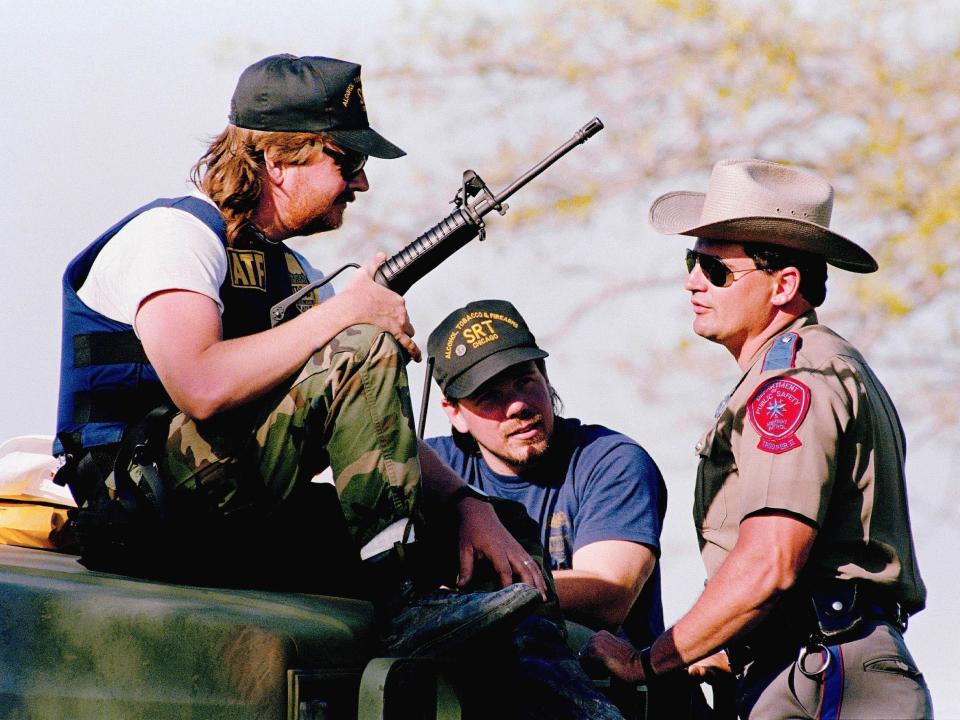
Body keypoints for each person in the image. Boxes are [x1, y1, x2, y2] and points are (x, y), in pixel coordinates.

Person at [52, 53, 550, 660]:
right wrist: (347, 313)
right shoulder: (176, 237)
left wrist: (467, 506)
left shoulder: (289, 272)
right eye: (348, 161)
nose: (361, 184)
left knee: (505, 536)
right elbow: (200, 384)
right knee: (365, 344)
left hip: (224, 499)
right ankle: (397, 598)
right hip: (138, 500)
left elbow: (367, 415)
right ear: (279, 160)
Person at [582, 159, 933, 719]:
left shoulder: (793, 382)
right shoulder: (801, 370)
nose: (693, 281)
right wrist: (716, 642)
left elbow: (771, 561)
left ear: (784, 285)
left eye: (717, 270)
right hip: (800, 664)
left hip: (821, 671)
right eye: (692, 261)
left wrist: (647, 661)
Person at [425, 299, 702, 718]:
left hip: (622, 700)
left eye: (524, 381)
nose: (517, 405)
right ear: (454, 412)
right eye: (490, 396)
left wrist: (471, 592)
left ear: (545, 375)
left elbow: (608, 593)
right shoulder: (434, 471)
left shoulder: (610, 460)